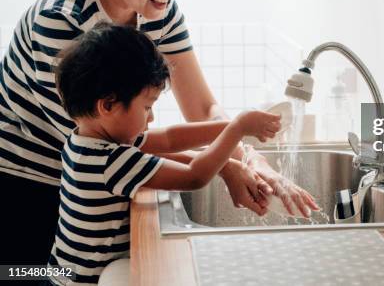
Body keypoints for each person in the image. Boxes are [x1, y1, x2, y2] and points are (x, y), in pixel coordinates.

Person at [0, 0, 318, 268]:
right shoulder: (62, 21)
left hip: (95, 182)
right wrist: (225, 164)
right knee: (27, 277)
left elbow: (202, 109)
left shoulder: (159, 11)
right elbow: (109, 143)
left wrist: (249, 156)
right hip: (27, 181)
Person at [44, 22, 283, 285]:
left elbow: (170, 140)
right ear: (108, 105)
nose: (152, 116)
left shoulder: (84, 140)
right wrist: (238, 129)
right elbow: (194, 176)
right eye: (147, 107)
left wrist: (232, 128)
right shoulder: (111, 161)